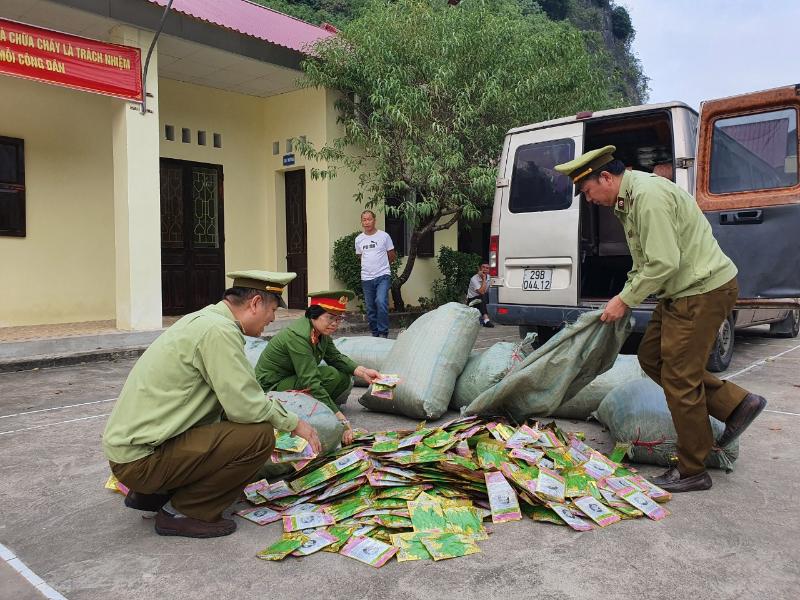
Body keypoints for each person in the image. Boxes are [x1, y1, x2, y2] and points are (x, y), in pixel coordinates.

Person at [555, 145, 768, 493]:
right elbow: (644, 262)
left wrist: (625, 300)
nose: (588, 199)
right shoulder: (628, 200)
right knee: (651, 356)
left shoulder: (647, 197)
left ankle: (692, 468)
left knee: (680, 377)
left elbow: (663, 262)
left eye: (587, 191)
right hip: (679, 292)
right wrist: (623, 293)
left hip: (702, 290)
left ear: (605, 177)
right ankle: (737, 404)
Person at [102, 271, 321, 538]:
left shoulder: (205, 320)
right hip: (142, 461)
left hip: (134, 452)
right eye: (273, 310)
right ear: (255, 303)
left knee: (231, 427)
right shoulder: (218, 332)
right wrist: (295, 423)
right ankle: (184, 512)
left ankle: (152, 495)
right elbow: (246, 406)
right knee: (258, 436)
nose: (273, 319)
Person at [254, 290, 381, 445]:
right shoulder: (298, 337)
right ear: (314, 314)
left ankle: (320, 406)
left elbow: (335, 357)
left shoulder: (320, 331)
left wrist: (363, 372)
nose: (335, 323)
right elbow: (310, 381)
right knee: (328, 375)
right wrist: (340, 419)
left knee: (342, 377)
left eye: (338, 318)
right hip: (272, 387)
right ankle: (319, 409)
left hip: (292, 379)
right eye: (330, 317)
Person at [355, 210, 396, 338]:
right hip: (366, 278)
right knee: (370, 308)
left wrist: (381, 267)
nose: (367, 222)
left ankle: (383, 333)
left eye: (369, 219)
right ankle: (375, 334)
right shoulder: (359, 239)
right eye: (364, 220)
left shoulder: (384, 236)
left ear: (374, 220)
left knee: (381, 301)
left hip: (382, 275)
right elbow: (360, 256)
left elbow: (391, 256)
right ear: (361, 222)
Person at [466, 262, 495, 327]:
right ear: (479, 269)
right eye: (483, 267)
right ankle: (486, 320)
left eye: (487, 268)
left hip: (483, 298)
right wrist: (484, 279)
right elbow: (481, 292)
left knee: (487, 295)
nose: (485, 269)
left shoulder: (490, 277)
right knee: (482, 296)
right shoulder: (474, 278)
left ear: (489, 270)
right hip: (472, 301)